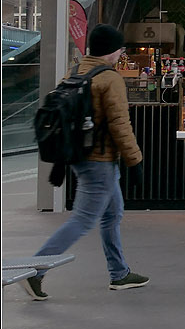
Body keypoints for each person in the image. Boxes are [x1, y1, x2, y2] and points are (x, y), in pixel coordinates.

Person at [23, 23, 149, 300]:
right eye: (120, 48)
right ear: (112, 50)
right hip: (100, 161)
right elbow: (120, 124)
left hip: (80, 157)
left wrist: (60, 163)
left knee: (112, 214)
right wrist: (135, 161)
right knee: (82, 219)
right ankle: (35, 270)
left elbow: (66, 120)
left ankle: (120, 274)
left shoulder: (75, 71)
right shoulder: (110, 79)